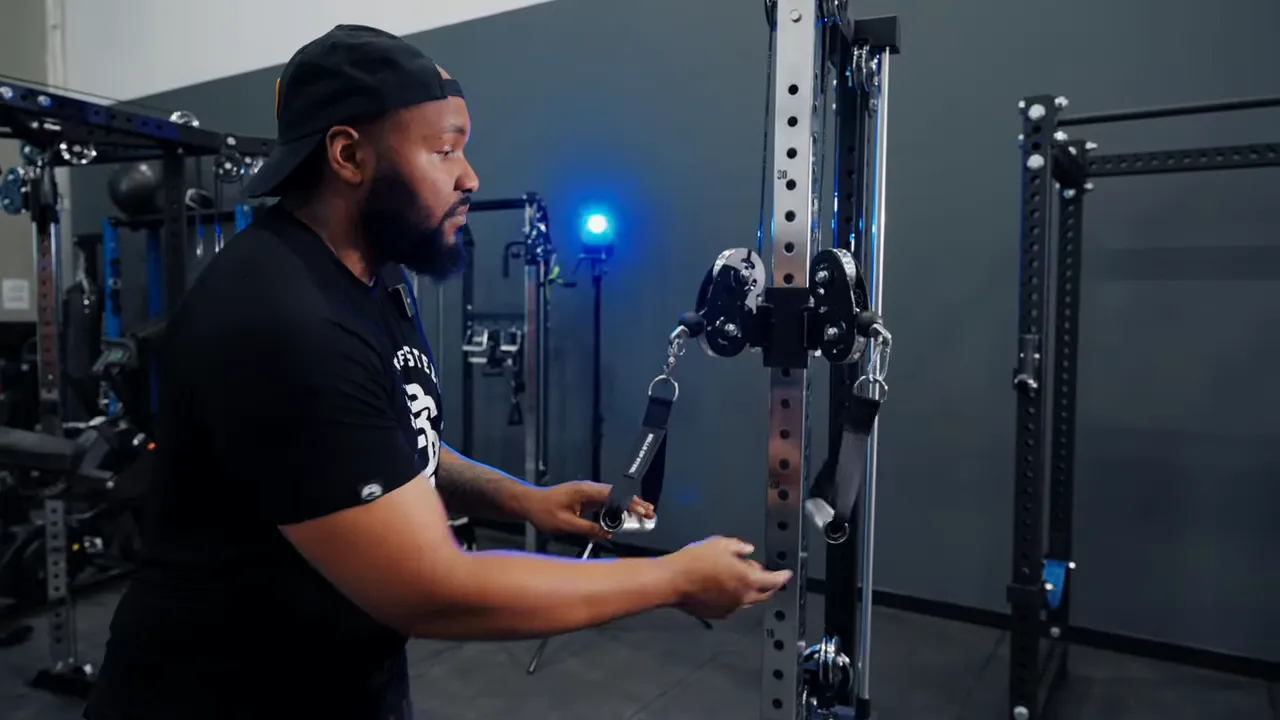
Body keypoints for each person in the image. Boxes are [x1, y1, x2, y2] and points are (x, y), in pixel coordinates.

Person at [84, 24, 791, 720]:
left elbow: (389, 441)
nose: (470, 176)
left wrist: (522, 500)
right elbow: (432, 592)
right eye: (445, 149)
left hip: (345, 683)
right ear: (349, 155)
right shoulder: (283, 318)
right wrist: (672, 578)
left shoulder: (375, 276)